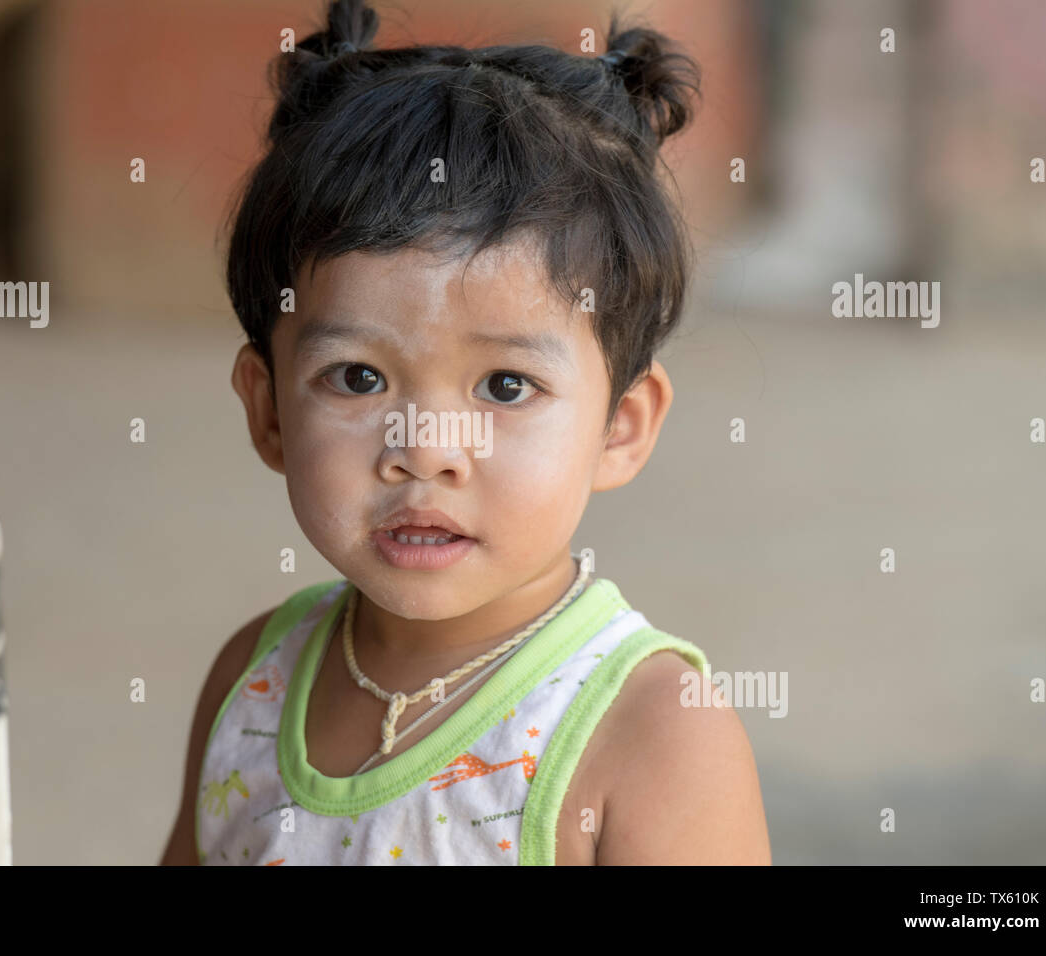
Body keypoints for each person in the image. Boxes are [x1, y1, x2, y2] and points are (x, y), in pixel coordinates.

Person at [160, 0, 770, 865]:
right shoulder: (251, 686)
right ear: (267, 413)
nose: (426, 446)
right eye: (359, 378)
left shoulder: (651, 734)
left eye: (506, 385)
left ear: (619, 428)